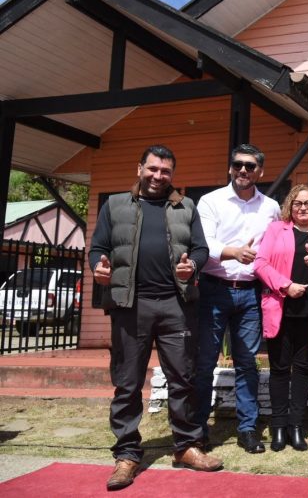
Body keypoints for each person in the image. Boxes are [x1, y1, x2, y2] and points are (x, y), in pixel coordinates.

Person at [89, 145, 221, 491]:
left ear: (171, 175)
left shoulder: (184, 206)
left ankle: (186, 446)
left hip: (175, 305)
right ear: (139, 169)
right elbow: (98, 249)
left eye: (165, 171)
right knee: (128, 382)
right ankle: (127, 454)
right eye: (152, 169)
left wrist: (192, 264)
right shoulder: (115, 205)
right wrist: (99, 269)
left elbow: (201, 249)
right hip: (130, 305)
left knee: (183, 378)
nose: (158, 176)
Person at [194, 144, 280, 454]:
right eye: (237, 164)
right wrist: (233, 252)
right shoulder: (211, 201)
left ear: (260, 171)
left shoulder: (270, 207)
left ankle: (247, 429)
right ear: (231, 168)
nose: (243, 170)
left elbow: (275, 245)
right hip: (214, 289)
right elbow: (203, 242)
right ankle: (198, 429)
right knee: (204, 363)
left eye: (249, 165)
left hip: (250, 292)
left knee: (247, 363)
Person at [254, 184, 308, 452]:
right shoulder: (276, 229)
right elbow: (260, 264)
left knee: (302, 370)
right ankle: (278, 427)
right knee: (279, 371)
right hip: (281, 309)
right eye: (298, 203)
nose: (303, 208)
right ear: (290, 206)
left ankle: (296, 426)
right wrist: (285, 286)